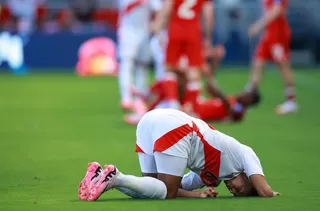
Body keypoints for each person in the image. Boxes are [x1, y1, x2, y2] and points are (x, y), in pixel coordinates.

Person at [78, 109, 280, 200]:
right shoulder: (245, 153)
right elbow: (264, 191)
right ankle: (115, 177)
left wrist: (198, 194)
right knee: (166, 191)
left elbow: (174, 186)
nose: (234, 191)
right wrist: (271, 193)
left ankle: (104, 178)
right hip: (180, 127)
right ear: (249, 176)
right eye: (243, 190)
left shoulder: (210, 178)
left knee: (150, 189)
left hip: (151, 120)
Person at [151, 0, 214, 111]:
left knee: (169, 68)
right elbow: (208, 14)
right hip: (193, 30)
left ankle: (173, 102)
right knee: (194, 70)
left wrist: (158, 29)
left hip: (175, 29)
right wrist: (208, 36)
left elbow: (167, 8)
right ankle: (192, 105)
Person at [247, 0, 297, 114]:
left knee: (283, 66)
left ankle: (291, 101)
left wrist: (258, 26)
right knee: (258, 64)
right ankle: (249, 96)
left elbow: (277, 10)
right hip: (269, 34)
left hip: (278, 35)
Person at [117, 0, 162, 113]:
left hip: (144, 31)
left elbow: (158, 10)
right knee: (126, 63)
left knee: (143, 65)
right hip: (128, 30)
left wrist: (156, 25)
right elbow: (126, 8)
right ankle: (126, 97)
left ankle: (139, 99)